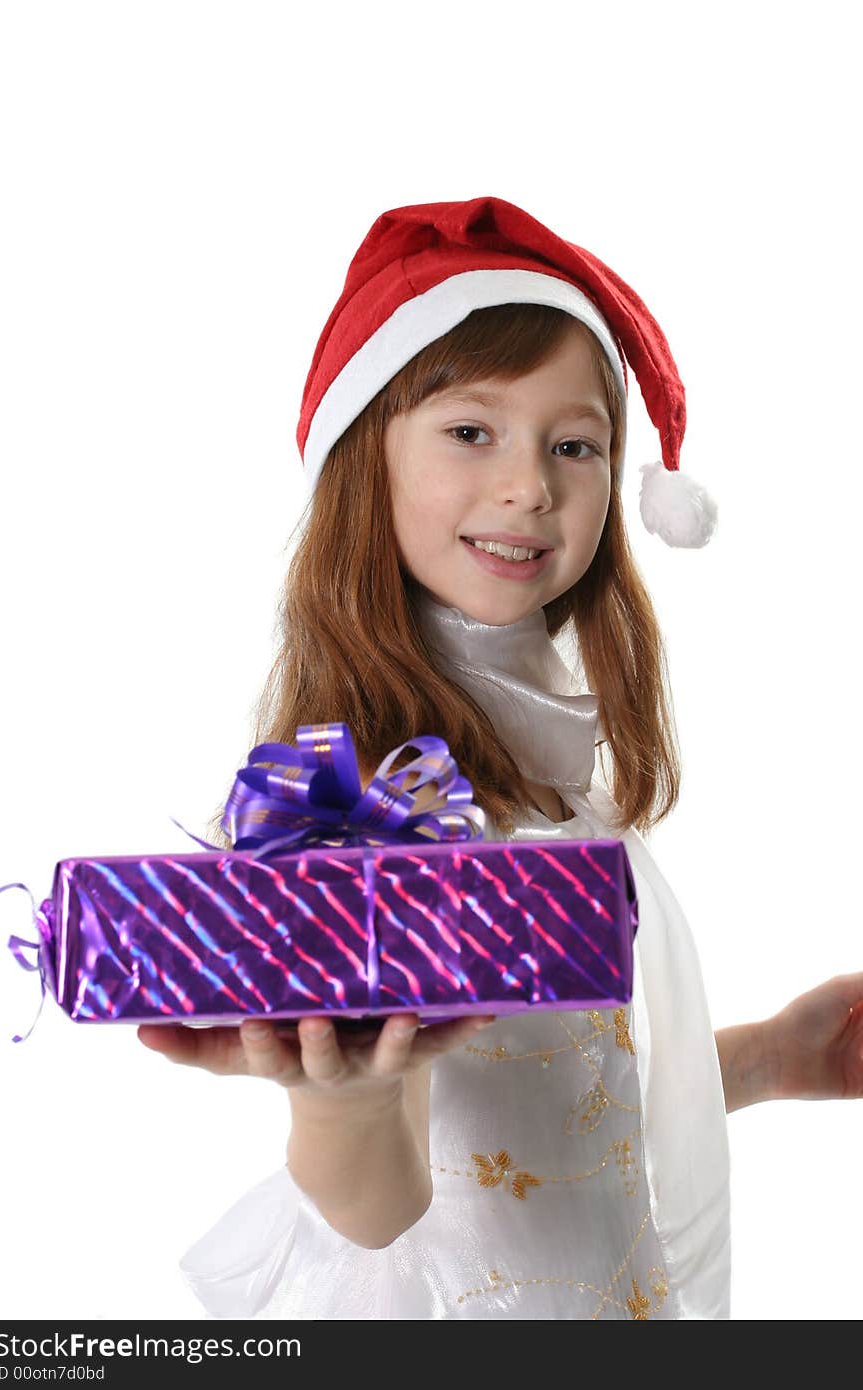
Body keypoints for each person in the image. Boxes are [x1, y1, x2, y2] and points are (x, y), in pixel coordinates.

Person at [138, 196, 863, 1320]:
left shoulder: (550, 760)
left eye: (573, 444)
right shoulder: (367, 797)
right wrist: (338, 1107)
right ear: (362, 453)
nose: (530, 483)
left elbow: (541, 1121)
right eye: (471, 431)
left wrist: (769, 1058)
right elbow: (382, 1207)